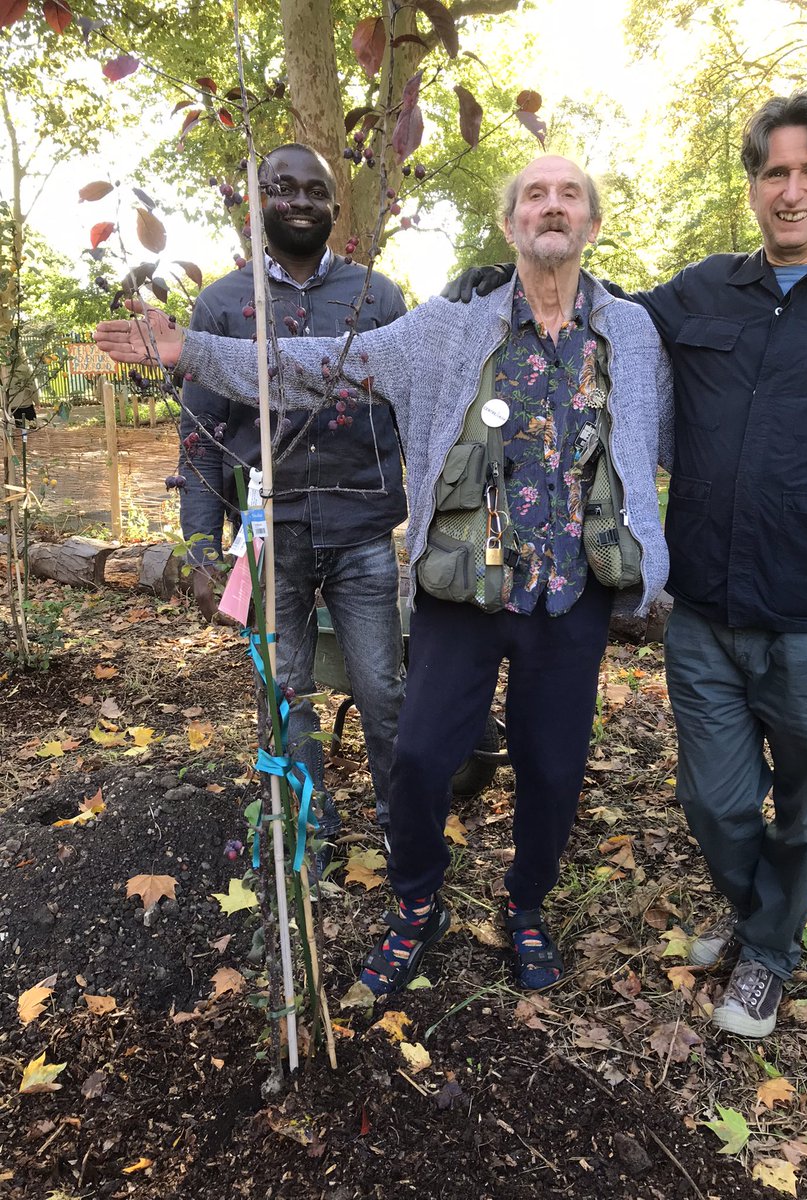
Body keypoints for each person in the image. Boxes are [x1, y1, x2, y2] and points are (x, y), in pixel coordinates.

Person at [95, 153, 674, 995]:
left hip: (570, 598)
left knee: (552, 769)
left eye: (570, 195)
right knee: (419, 759)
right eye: (535, 196)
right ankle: (417, 903)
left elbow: (676, 441)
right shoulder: (446, 328)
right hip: (456, 593)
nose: (552, 207)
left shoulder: (632, 333)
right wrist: (193, 350)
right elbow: (319, 367)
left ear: (590, 222)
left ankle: (526, 908)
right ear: (513, 223)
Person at [447, 89, 807, 1037]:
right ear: (753, 186)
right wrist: (499, 280)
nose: (792, 190)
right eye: (774, 171)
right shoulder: (696, 294)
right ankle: (754, 918)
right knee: (716, 799)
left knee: (804, 808)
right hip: (704, 609)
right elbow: (583, 316)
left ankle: (767, 954)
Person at [178, 143, 407, 848]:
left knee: (383, 691)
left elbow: (413, 410)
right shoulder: (221, 305)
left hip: (361, 527)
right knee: (283, 690)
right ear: (258, 203)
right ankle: (310, 815)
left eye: (317, 190)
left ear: (337, 208)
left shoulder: (378, 298)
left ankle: (404, 824)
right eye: (284, 188)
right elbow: (200, 431)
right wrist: (197, 541)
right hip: (265, 534)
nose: (301, 200)